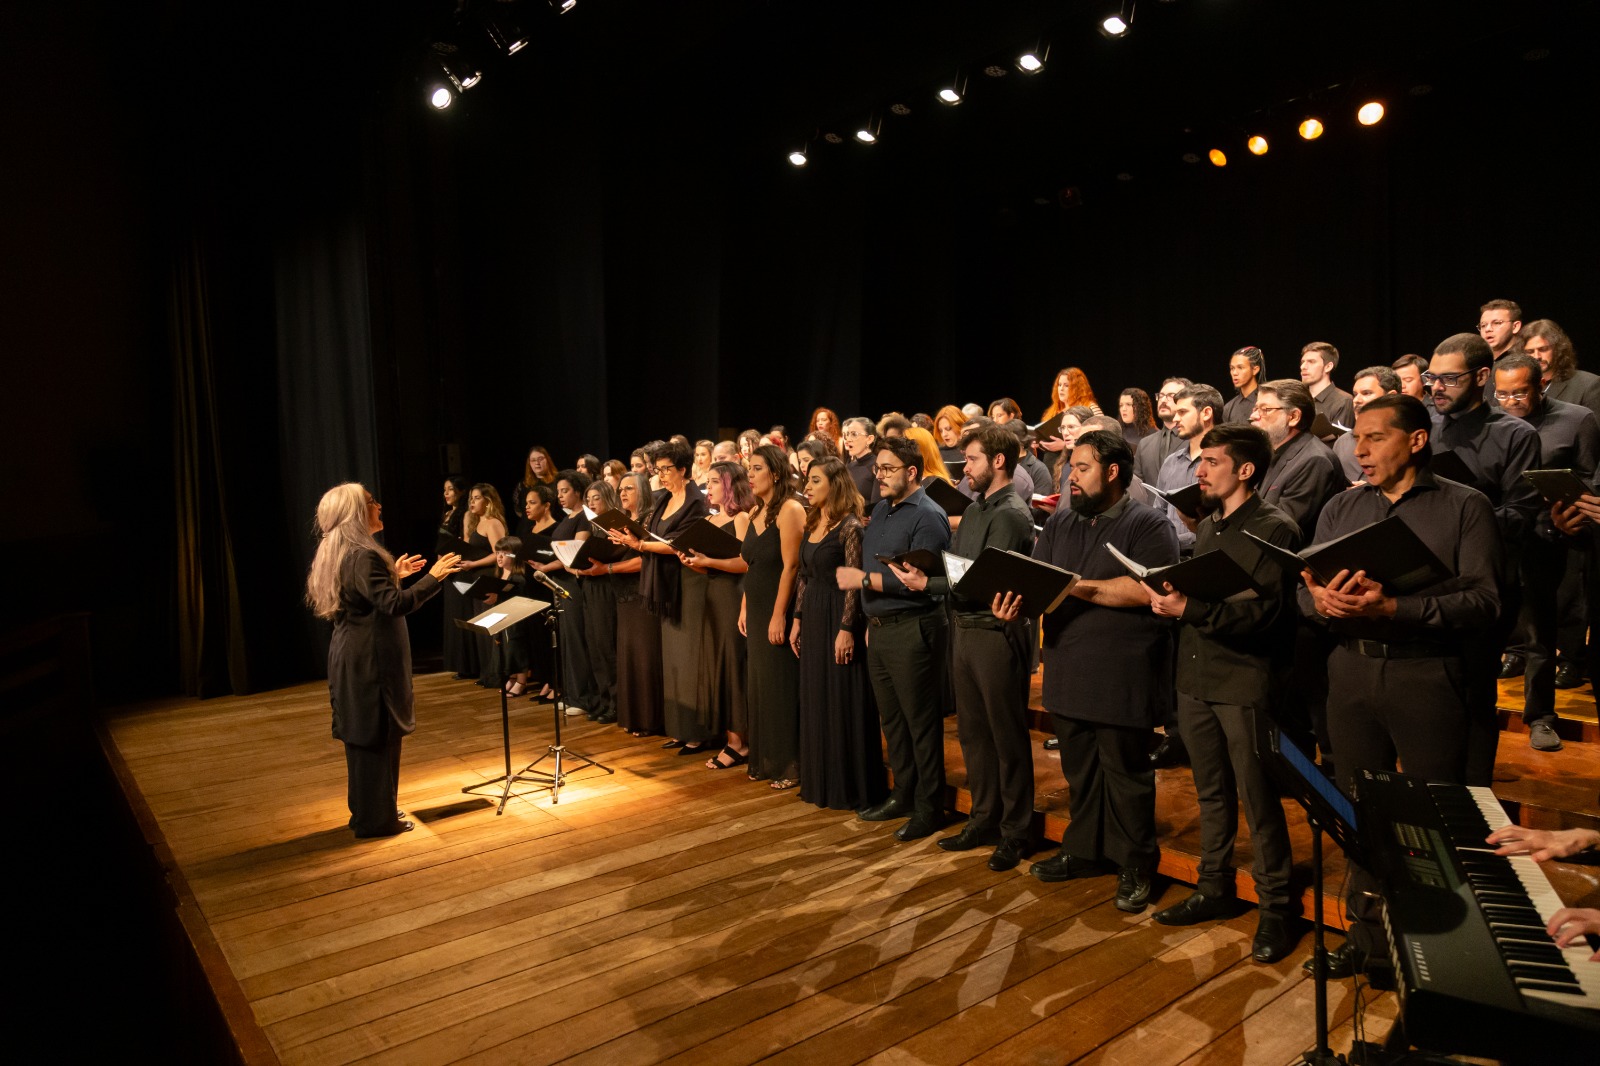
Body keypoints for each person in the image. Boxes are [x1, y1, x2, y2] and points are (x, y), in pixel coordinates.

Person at [1295, 394, 1502, 978]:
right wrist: (1318, 600)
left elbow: (1485, 601)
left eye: (1375, 438)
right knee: (1360, 812)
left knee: (1438, 816)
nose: (1360, 450)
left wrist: (1397, 608)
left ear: (1415, 441)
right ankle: (1371, 943)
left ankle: (1447, 954)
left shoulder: (1465, 506)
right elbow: (1303, 588)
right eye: (1356, 439)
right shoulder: (1342, 507)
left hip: (1427, 674)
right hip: (1352, 673)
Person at [1144, 425, 1300, 963]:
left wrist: (1190, 609)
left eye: (1210, 461)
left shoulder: (1274, 528)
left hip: (1243, 681)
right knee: (1211, 792)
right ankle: (1215, 888)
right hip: (1197, 676)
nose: (1199, 471)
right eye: (1200, 461)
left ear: (1245, 470)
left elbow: (1267, 613)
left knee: (1258, 798)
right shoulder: (1210, 525)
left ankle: (1277, 906)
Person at [1011, 430, 1177, 913]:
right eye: (1068, 468)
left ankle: (1136, 864)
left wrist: (1073, 586)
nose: (1070, 477)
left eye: (1081, 468)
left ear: (1112, 472)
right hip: (1067, 665)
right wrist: (1014, 602)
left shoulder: (1148, 525)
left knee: (1125, 774)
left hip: (1121, 672)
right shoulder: (1062, 522)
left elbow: (1145, 592)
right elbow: (1039, 580)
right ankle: (1085, 851)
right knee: (1080, 771)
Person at [902, 424, 1037, 871]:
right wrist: (934, 576)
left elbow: (985, 580)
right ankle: (984, 818)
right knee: (974, 733)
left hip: (996, 632)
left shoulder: (1011, 513)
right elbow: (961, 567)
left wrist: (930, 583)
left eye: (973, 459)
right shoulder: (978, 510)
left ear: (999, 461)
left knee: (1006, 735)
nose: (966, 470)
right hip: (965, 627)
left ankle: (1015, 831)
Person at [306, 483, 460, 838]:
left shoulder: (343, 550)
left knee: (364, 736)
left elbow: (368, 596)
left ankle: (369, 811)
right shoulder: (364, 554)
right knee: (377, 734)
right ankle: (378, 820)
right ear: (357, 512)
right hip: (370, 661)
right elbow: (395, 605)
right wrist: (433, 578)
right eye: (371, 501)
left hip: (353, 655)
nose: (379, 505)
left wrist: (393, 576)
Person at [1427, 332, 1541, 782]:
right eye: (1432, 377)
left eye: (1449, 379)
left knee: (1475, 697)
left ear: (1481, 377)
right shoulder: (1424, 428)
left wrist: (1460, 513)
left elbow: (1521, 515)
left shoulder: (1515, 434)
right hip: (1428, 580)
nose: (1437, 387)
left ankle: (1475, 799)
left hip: (1481, 585)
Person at [835, 434, 952, 839]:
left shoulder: (928, 516)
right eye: (877, 469)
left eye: (887, 469)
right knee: (894, 722)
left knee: (921, 724)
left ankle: (929, 806)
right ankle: (904, 793)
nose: (878, 476)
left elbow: (918, 583)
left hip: (914, 628)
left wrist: (862, 578)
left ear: (912, 472)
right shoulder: (882, 509)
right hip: (882, 630)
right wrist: (867, 622)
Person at [1493, 352, 1600, 751]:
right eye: (1501, 395)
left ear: (1542, 385)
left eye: (1519, 393)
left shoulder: (1575, 419)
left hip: (1549, 537)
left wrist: (1573, 515)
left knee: (1540, 633)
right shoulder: (1492, 422)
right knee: (1493, 630)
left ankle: (1541, 717)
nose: (1510, 402)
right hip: (1499, 539)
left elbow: (1588, 480)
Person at [789, 457, 884, 811]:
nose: (808, 487)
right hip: (813, 615)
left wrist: (847, 629)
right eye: (807, 480)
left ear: (835, 484)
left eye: (815, 481)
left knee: (842, 697)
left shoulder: (849, 527)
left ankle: (850, 786)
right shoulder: (814, 521)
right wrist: (797, 618)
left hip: (838, 616)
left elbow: (854, 583)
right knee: (816, 696)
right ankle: (821, 780)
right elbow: (805, 575)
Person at [611, 441, 715, 752]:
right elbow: (655, 535)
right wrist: (634, 539)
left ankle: (698, 732)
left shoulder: (696, 501)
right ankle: (680, 728)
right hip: (666, 583)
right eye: (659, 470)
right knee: (672, 660)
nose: (662, 475)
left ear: (683, 469)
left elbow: (678, 543)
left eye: (667, 469)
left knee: (690, 659)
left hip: (690, 583)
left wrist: (639, 546)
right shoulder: (663, 500)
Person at [742, 444, 805, 788]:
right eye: (749, 469)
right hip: (756, 608)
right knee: (760, 686)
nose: (749, 475)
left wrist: (779, 615)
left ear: (776, 473)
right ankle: (765, 758)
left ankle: (789, 764)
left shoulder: (790, 509)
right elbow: (750, 565)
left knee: (780, 686)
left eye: (756, 469)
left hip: (776, 606)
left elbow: (792, 566)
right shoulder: (755, 513)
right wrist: (744, 607)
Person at [682, 460, 752, 768]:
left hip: (731, 597)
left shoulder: (742, 518)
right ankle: (730, 738)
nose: (706, 488)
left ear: (728, 485)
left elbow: (747, 563)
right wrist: (694, 560)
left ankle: (740, 743)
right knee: (716, 667)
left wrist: (709, 562)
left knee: (732, 666)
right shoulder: (710, 521)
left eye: (712, 482)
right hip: (710, 596)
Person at [1249, 379, 1344, 542]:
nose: (1253, 416)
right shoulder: (1270, 452)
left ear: (1293, 417)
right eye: (1256, 408)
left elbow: (1280, 529)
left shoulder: (1315, 460)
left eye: (1265, 409)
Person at [614, 472, 664, 737]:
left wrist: (609, 567)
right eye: (621, 489)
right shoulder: (621, 521)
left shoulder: (648, 521)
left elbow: (643, 561)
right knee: (629, 655)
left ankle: (649, 719)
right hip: (623, 595)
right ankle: (633, 717)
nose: (623, 493)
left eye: (629, 488)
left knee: (645, 656)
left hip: (642, 593)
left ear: (643, 491)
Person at [1154, 384, 1222, 556]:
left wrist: (1176, 541)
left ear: (1206, 413)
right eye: (1176, 412)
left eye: (1183, 412)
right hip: (1169, 558)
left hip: (1208, 557)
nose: (1175, 419)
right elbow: (1158, 512)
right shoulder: (1171, 461)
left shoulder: (1226, 463)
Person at [461, 484, 509, 688]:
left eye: (477, 498)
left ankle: (498, 674)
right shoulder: (476, 523)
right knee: (482, 626)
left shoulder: (492, 523)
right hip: (476, 578)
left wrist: (474, 564)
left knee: (493, 628)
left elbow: (498, 553)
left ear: (488, 501)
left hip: (489, 576)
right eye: (471, 497)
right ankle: (488, 673)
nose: (472, 501)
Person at [437, 476, 478, 680]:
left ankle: (470, 665)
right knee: (453, 614)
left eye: (450, 489)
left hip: (460, 567)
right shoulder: (447, 513)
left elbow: (466, 542)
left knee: (463, 612)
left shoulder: (466, 514)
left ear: (461, 492)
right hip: (447, 567)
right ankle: (460, 664)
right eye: (444, 489)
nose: (446, 493)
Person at [1333, 367, 1401, 482]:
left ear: (1391, 397)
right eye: (1355, 394)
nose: (1357, 400)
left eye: (1366, 393)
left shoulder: (1404, 441)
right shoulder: (1342, 443)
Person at [1526, 319, 1600, 423]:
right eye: (1530, 352)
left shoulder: (1589, 384)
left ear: (1558, 349)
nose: (1536, 356)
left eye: (1543, 349)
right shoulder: (1521, 386)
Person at [1134, 378, 1191, 485]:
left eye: (1171, 396)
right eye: (1161, 396)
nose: (1163, 400)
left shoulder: (1194, 440)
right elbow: (1137, 486)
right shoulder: (1145, 443)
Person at [1300, 342, 1356, 438]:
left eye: (1311, 362)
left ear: (1328, 367)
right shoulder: (1298, 399)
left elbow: (1340, 443)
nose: (1303, 367)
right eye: (1302, 362)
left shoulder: (1343, 401)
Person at [1222, 346, 1265, 424]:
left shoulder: (1267, 401)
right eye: (1232, 368)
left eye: (1240, 367)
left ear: (1255, 370)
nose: (1234, 373)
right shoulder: (1229, 407)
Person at [840, 417, 879, 502]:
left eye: (854, 434)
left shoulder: (877, 466)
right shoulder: (849, 467)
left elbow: (877, 505)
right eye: (848, 434)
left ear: (869, 439)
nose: (848, 439)